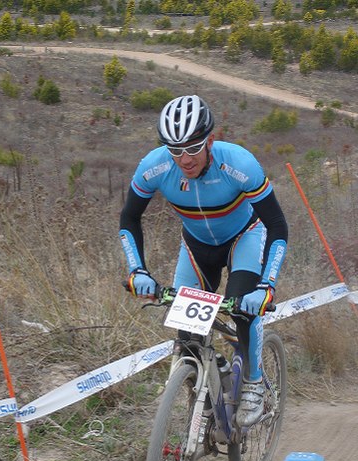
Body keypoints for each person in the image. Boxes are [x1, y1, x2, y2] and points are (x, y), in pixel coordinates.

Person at [119, 94, 288, 428]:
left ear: (210, 139)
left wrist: (266, 286)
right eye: (175, 149)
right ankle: (210, 398)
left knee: (243, 309)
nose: (184, 159)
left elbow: (278, 227)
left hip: (244, 238)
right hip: (196, 247)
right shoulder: (155, 166)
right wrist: (137, 269)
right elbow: (129, 219)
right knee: (187, 338)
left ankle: (254, 383)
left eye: (193, 147)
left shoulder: (239, 164)